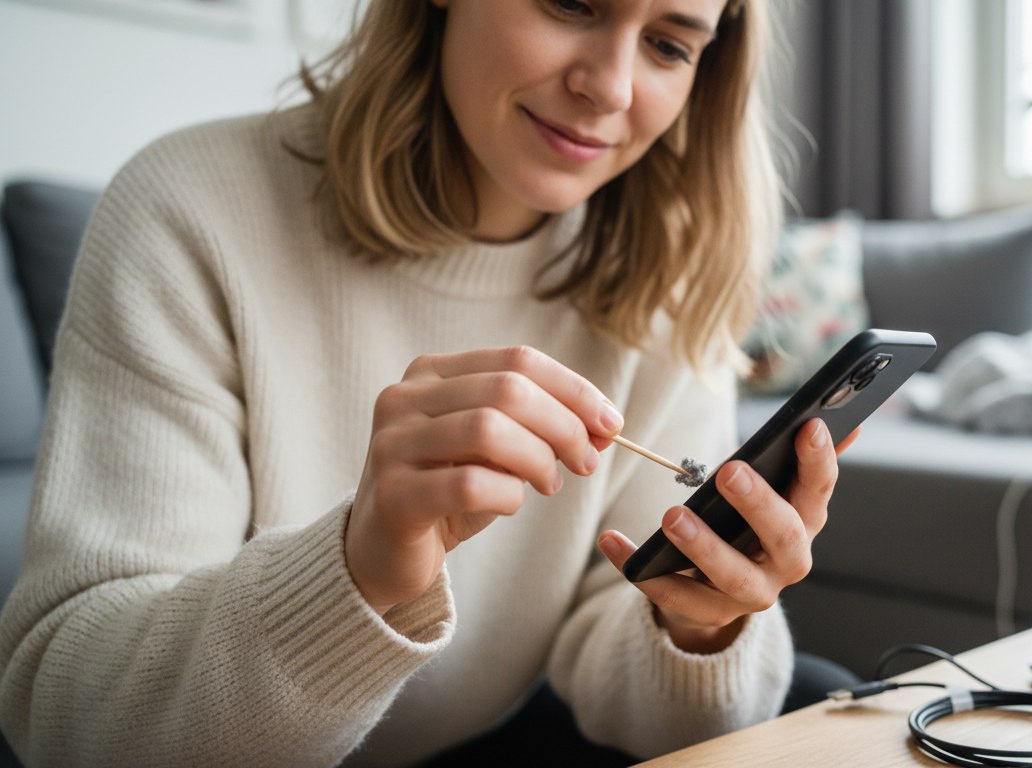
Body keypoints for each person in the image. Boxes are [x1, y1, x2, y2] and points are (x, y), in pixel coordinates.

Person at [0, 1, 856, 765]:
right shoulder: (189, 211)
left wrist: (698, 626)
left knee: (826, 697)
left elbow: (651, 710)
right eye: (570, 4)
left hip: (501, 733)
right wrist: (359, 569)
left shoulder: (664, 274)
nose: (610, 88)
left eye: (668, 44)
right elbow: (68, 724)